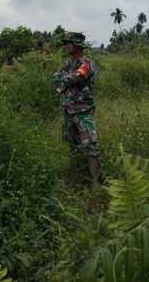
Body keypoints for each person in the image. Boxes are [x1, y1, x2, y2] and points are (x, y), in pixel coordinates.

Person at [52, 31, 101, 185]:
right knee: (72, 145)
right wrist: (65, 79)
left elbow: (78, 77)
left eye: (69, 43)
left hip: (83, 111)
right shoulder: (67, 63)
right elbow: (55, 80)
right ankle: (76, 178)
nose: (66, 46)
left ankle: (96, 183)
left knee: (90, 146)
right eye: (65, 43)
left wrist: (64, 80)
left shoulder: (86, 63)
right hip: (68, 110)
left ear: (78, 45)